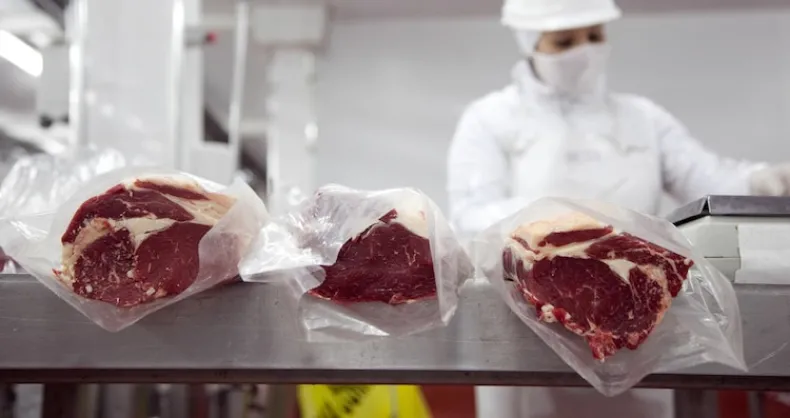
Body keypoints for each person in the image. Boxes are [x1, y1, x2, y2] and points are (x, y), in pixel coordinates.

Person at [445, 0, 790, 417]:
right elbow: (472, 215)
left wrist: (767, 182)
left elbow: (710, 178)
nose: (584, 50)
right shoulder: (490, 118)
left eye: (595, 36)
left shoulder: (643, 117)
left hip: (633, 329)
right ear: (530, 43)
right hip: (531, 341)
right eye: (565, 42)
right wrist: (554, 228)